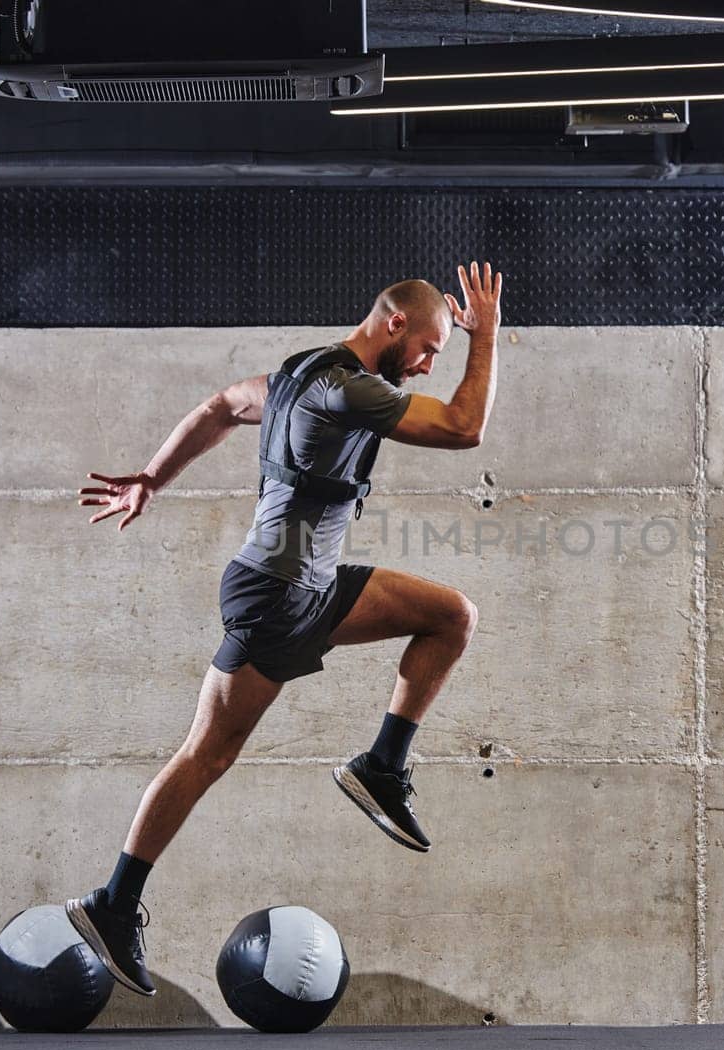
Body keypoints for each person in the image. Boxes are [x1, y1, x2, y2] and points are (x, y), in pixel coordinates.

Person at [65, 263, 503, 996]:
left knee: (450, 615)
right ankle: (113, 903)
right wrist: (486, 336)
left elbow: (218, 406)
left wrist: (150, 479)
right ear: (394, 323)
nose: (431, 365)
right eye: (431, 348)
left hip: (314, 586)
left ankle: (381, 767)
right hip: (274, 595)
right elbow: (465, 426)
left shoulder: (300, 373)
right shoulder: (345, 386)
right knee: (207, 753)